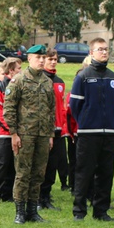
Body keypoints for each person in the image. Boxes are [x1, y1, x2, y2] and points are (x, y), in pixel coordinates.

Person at [69, 38, 114, 222]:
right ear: (91, 53)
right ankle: (79, 211)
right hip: (88, 133)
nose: (104, 52)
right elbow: (74, 105)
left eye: (106, 49)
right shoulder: (83, 76)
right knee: (84, 172)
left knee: (106, 173)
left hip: (108, 133)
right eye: (100, 49)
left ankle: (101, 211)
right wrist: (84, 121)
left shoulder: (113, 77)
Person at [4, 45, 55, 224]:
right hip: (24, 134)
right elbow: (8, 108)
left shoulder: (48, 82)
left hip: (42, 134)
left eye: (44, 57)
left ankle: (33, 210)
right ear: (29, 59)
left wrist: (50, 134)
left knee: (39, 173)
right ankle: (20, 211)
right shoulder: (19, 80)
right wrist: (13, 133)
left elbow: (51, 109)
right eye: (38, 57)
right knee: (23, 172)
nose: (41, 60)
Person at [38, 48, 68, 210]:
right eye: (50, 59)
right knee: (41, 164)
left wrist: (62, 124)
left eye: (55, 59)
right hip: (42, 130)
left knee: (53, 165)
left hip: (57, 130)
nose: (53, 62)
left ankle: (46, 197)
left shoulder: (59, 82)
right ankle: (36, 198)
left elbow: (61, 107)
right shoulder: (39, 79)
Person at [0, 57, 21, 203]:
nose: (21, 71)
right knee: (2, 163)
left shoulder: (19, 86)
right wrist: (10, 129)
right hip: (3, 134)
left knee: (14, 166)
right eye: (19, 69)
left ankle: (8, 194)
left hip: (17, 132)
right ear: (12, 70)